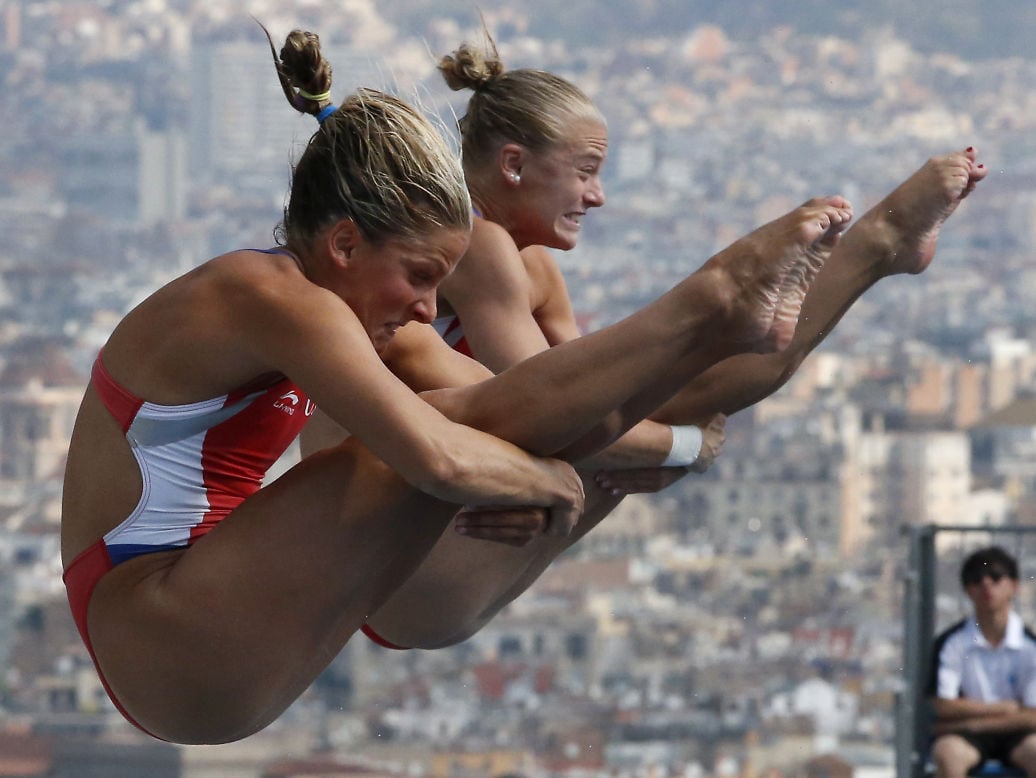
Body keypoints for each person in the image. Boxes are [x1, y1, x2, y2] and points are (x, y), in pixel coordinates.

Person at [60, 26, 853, 745]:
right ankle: (714, 298)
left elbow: (503, 402)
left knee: (467, 424)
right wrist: (557, 481)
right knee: (415, 446)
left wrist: (593, 454)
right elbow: (437, 457)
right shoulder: (268, 297)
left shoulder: (343, 314)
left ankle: (734, 320)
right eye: (417, 276)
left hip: (224, 643)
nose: (427, 308)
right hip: (158, 633)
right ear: (342, 243)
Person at [299, 32, 987, 651]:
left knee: (685, 393)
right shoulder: (479, 247)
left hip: (451, 555)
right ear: (513, 164)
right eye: (586, 169)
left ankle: (860, 257)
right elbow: (552, 415)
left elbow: (603, 407)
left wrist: (670, 442)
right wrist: (685, 448)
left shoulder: (532, 268)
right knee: (691, 393)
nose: (597, 196)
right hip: (401, 568)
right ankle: (854, 254)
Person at [928, 546, 1036, 778]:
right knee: (947, 755)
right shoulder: (951, 643)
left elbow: (1033, 715)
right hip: (965, 738)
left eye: (996, 577)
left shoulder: (1031, 646)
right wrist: (1004, 709)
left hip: (1019, 734)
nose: (987, 585)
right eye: (976, 579)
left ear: (1014, 586)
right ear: (968, 590)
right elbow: (943, 705)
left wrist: (971, 722)